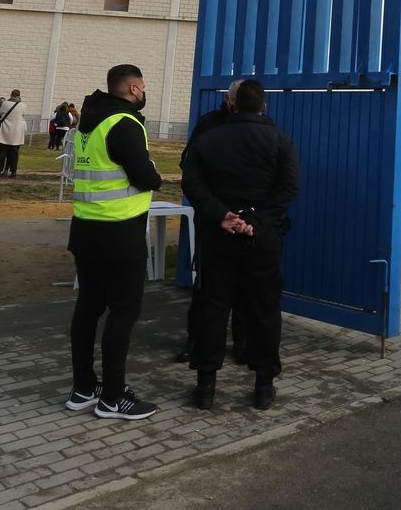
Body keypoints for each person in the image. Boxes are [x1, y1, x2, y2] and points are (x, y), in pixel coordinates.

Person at [183, 78, 300, 410]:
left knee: (213, 307)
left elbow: (192, 180)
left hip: (218, 237)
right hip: (261, 240)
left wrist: (222, 215)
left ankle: (205, 387)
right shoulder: (279, 140)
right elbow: (288, 188)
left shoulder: (209, 137)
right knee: (264, 310)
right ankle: (263, 386)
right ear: (264, 105)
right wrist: (256, 222)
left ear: (233, 103)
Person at [65, 63, 165, 420]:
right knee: (124, 312)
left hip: (86, 228)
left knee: (88, 308)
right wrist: (155, 176)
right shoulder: (124, 123)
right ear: (134, 88)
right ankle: (112, 397)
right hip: (120, 233)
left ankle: (83, 387)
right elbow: (142, 175)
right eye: (143, 87)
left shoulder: (88, 121)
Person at [175, 80, 253, 367]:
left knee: (246, 287)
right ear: (227, 99)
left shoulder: (261, 126)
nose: (236, 103)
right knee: (206, 288)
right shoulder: (209, 124)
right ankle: (197, 343)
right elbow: (188, 166)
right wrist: (214, 206)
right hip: (213, 217)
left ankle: (243, 345)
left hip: (247, 219)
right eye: (234, 98)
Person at [0, 89, 27, 177]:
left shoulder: (5, 103)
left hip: (5, 129)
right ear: (19, 96)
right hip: (17, 131)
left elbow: (1, 113)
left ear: (11, 95)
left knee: (2, 152)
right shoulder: (23, 105)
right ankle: (13, 172)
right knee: (14, 153)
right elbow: (23, 115)